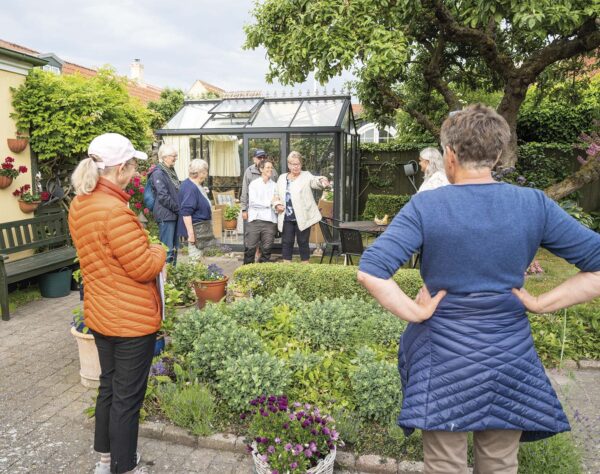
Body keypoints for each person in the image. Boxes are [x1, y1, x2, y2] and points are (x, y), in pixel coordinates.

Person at [357, 104, 600, 474]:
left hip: (442, 361)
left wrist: (416, 311)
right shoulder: (533, 204)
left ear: (449, 155)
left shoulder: (426, 206)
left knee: (444, 466)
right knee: (501, 465)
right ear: (498, 155)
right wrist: (542, 303)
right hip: (509, 356)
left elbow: (371, 271)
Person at [69, 133, 166, 474]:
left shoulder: (81, 204)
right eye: (133, 165)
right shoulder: (114, 211)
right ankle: (124, 467)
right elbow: (143, 267)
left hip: (101, 314)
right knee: (127, 399)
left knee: (109, 388)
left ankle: (106, 459)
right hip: (130, 320)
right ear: (121, 168)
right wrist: (160, 250)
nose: (136, 171)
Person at [275, 151, 329, 263]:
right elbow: (275, 195)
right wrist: (277, 204)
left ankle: (305, 267)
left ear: (301, 164)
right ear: (289, 165)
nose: (296, 166)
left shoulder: (306, 176)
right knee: (287, 242)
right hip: (286, 217)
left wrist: (322, 180)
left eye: (298, 164)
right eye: (293, 164)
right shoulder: (281, 178)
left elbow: (315, 181)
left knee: (303, 242)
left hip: (302, 217)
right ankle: (287, 267)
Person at [241, 149, 279, 261]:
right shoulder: (253, 182)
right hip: (255, 218)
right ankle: (246, 274)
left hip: (270, 220)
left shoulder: (275, 184)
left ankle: (263, 274)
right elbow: (253, 201)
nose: (270, 170)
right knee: (250, 248)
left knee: (267, 250)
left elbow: (278, 198)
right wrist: (271, 202)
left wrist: (275, 203)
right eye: (268, 168)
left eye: (271, 168)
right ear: (261, 169)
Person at [148, 144, 180, 264]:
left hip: (173, 214)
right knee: (167, 250)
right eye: (173, 156)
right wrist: (178, 209)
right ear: (165, 157)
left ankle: (173, 277)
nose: (175, 158)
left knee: (175, 249)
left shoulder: (170, 171)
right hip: (166, 215)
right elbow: (163, 196)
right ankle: (166, 280)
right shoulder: (158, 173)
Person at [178, 159, 215, 261]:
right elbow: (186, 212)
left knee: (199, 259)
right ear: (200, 173)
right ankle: (195, 277)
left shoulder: (196, 185)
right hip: (196, 230)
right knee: (195, 259)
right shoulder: (190, 188)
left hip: (201, 229)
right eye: (205, 171)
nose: (207, 174)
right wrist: (191, 234)